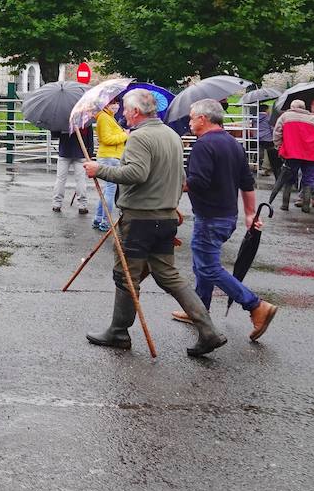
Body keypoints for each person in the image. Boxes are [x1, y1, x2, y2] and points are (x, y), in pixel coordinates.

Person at [83, 88, 226, 358]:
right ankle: (208, 331)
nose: (123, 113)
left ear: (136, 112)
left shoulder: (139, 137)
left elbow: (136, 173)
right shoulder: (171, 135)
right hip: (166, 217)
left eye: (125, 109)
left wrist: (98, 169)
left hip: (140, 219)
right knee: (168, 275)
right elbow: (180, 175)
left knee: (126, 275)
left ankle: (118, 332)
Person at [178, 99, 278, 340]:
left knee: (208, 267)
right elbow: (247, 182)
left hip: (210, 217)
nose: (190, 122)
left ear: (203, 118)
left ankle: (255, 305)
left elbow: (198, 182)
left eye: (192, 117)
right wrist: (249, 213)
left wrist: (175, 186)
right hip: (226, 216)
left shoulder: (203, 146)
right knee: (202, 263)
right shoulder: (233, 143)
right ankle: (199, 309)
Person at [273, 99, 314, 213]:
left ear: (292, 106)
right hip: (310, 154)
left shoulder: (285, 117)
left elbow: (277, 132)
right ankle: (306, 206)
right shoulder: (313, 118)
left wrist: (280, 146)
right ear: (304, 107)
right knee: (309, 178)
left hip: (291, 153)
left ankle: (285, 204)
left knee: (289, 178)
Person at [93, 103, 126, 232]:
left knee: (107, 190)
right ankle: (106, 221)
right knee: (110, 190)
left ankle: (98, 218)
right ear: (106, 104)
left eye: (117, 103)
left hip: (110, 156)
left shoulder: (109, 117)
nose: (116, 106)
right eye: (113, 103)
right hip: (110, 157)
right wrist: (125, 135)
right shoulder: (104, 117)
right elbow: (107, 139)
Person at [51, 124, 93, 215]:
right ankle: (82, 205)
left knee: (60, 179)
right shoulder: (84, 117)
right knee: (80, 180)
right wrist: (90, 153)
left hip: (64, 150)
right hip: (81, 151)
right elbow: (90, 135)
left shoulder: (62, 118)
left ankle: (57, 204)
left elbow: (55, 134)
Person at [256, 103, 280, 179]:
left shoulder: (255, 118)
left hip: (257, 138)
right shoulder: (268, 118)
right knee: (272, 152)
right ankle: (268, 168)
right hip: (268, 139)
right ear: (266, 110)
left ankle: (260, 164)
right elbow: (272, 129)